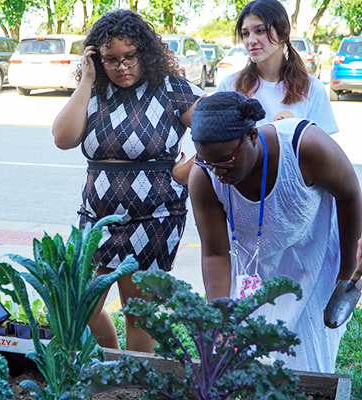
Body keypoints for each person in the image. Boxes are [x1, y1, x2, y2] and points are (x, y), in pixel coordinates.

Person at [52, 10, 204, 353]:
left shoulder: (172, 90)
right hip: (97, 219)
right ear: (96, 58)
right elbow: (63, 138)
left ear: (145, 54)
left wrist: (188, 168)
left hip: (155, 220)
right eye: (111, 59)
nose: (122, 66)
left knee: (139, 314)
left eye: (129, 57)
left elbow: (222, 130)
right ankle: (111, 360)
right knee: (80, 304)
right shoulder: (93, 92)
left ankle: (133, 381)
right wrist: (87, 80)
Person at [188, 91, 362, 373]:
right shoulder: (204, 176)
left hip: (314, 261)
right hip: (254, 270)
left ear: (252, 136)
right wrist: (218, 320)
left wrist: (346, 279)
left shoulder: (306, 147)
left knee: (307, 363)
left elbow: (351, 196)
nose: (218, 172)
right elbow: (215, 252)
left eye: (225, 161)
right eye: (208, 162)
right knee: (245, 361)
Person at [217, 0, 338, 134]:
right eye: (245, 33)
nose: (251, 40)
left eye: (260, 30)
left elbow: (323, 150)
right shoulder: (230, 87)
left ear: (283, 34)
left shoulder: (312, 89)